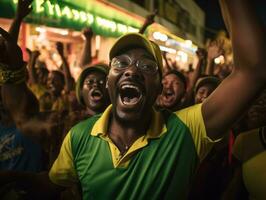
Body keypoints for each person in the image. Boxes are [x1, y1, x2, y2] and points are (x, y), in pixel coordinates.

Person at [1, 0, 266, 199]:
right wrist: (17, 179)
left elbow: (253, 69)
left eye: (147, 66)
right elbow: (51, 182)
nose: (131, 70)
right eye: (120, 64)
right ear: (109, 82)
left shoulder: (186, 129)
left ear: (158, 88)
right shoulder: (79, 136)